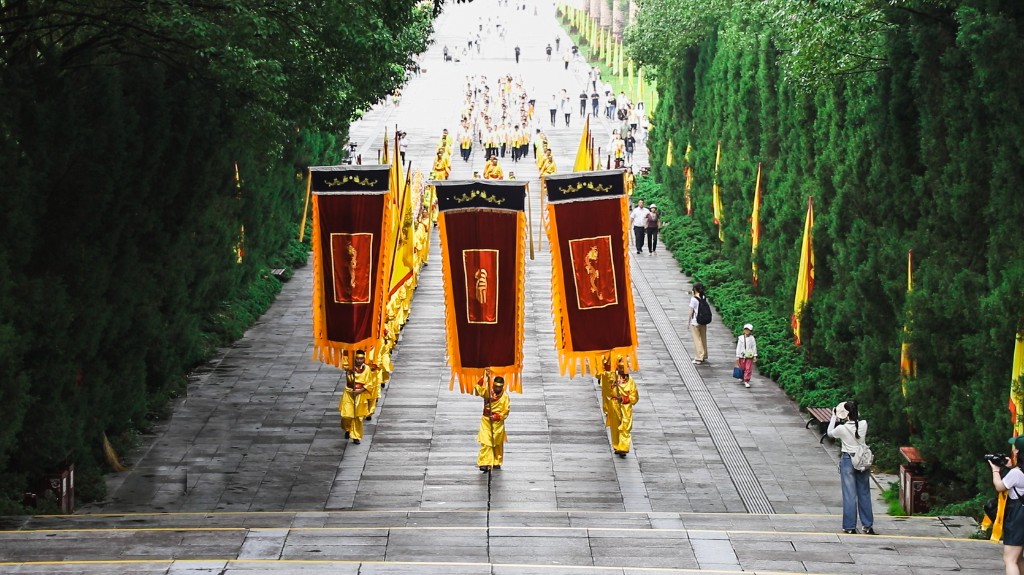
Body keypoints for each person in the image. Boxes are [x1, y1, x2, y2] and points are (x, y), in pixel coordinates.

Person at [827, 401, 875, 535]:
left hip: (848, 460)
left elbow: (829, 433)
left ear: (846, 414)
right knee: (864, 493)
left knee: (849, 494)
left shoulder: (841, 429)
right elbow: (857, 419)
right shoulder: (864, 424)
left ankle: (850, 526)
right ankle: (867, 525)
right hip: (862, 460)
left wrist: (834, 416)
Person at [991, 437, 1024, 574]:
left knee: (1010, 559)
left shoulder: (1017, 473)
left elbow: (1000, 486)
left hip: (1018, 515)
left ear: (1018, 452)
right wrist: (1010, 467)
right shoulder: (1016, 472)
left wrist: (995, 470)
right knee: (1018, 558)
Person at [474, 373, 510, 472]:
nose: (497, 389)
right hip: (486, 420)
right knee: (486, 442)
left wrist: (497, 416)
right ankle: (484, 462)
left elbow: (506, 411)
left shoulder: (505, 397)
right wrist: (484, 377)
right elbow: (478, 389)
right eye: (495, 386)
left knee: (497, 443)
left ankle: (497, 461)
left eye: (499, 387)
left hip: (497, 423)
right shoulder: (488, 391)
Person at [339, 350, 373, 445]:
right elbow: (344, 361)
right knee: (346, 415)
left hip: (360, 394)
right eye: (357, 358)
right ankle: (347, 428)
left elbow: (369, 384)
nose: (359, 360)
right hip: (349, 393)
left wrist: (360, 391)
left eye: (361, 358)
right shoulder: (350, 367)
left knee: (358, 417)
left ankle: (356, 436)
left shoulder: (367, 369)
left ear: (364, 359)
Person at [608, 358, 639, 456]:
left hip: (626, 407)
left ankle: (624, 447)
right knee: (615, 427)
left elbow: (634, 397)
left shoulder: (631, 381)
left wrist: (623, 399)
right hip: (614, 405)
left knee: (625, 427)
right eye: (620, 367)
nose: (622, 370)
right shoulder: (613, 376)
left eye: (624, 368)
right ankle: (617, 445)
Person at [688, 283, 710, 364]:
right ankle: (704, 355)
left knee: (697, 340)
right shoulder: (703, 297)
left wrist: (688, 322)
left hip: (696, 322)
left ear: (695, 289)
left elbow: (690, 311)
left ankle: (698, 357)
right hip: (703, 321)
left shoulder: (693, 299)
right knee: (703, 339)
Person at [734, 323, 757, 388]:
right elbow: (738, 347)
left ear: (751, 331)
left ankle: (746, 380)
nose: (747, 331)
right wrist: (737, 356)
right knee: (742, 367)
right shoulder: (741, 338)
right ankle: (742, 377)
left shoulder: (752, 338)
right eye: (745, 329)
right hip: (742, 356)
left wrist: (755, 355)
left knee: (748, 368)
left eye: (748, 330)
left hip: (749, 356)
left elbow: (754, 347)